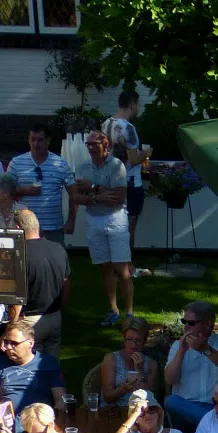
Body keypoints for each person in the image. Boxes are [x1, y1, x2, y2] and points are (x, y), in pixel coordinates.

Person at [75, 129, 132, 325]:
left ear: (105, 145)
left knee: (121, 268)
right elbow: (76, 197)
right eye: (88, 144)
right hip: (94, 220)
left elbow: (118, 199)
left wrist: (92, 188)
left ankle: (130, 313)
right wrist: (98, 196)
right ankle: (113, 309)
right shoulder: (82, 167)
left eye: (95, 144)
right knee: (105, 267)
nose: (91, 147)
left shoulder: (117, 166)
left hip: (115, 219)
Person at [4, 208, 70, 360]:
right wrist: (61, 309)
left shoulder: (19, 255)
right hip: (54, 316)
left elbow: (17, 296)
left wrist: (10, 328)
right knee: (52, 366)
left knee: (29, 368)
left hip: (29, 320)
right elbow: (67, 283)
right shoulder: (58, 248)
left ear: (17, 229)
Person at [164, 301, 218, 429]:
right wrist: (182, 351)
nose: (186, 326)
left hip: (216, 408)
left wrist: (205, 349)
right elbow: (169, 380)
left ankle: (212, 425)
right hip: (184, 408)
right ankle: (215, 426)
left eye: (191, 323)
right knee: (171, 401)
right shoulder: (178, 346)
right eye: (184, 321)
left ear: (208, 324)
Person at [8, 123, 76, 244]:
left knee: (55, 261)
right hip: (25, 225)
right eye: (32, 139)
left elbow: (74, 194)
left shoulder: (60, 164)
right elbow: (6, 190)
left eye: (40, 140)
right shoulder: (17, 163)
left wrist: (71, 220)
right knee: (25, 262)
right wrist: (24, 191)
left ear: (48, 141)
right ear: (28, 140)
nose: (36, 144)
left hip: (53, 227)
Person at [0, 318, 67, 415]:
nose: (8, 347)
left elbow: (61, 400)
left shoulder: (47, 363)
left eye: (14, 343)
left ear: (30, 343)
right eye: (6, 342)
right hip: (7, 419)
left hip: (38, 419)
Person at [102, 90, 152, 243]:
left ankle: (115, 263)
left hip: (110, 180)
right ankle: (126, 263)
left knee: (112, 225)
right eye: (138, 105)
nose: (138, 108)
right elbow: (134, 159)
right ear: (132, 104)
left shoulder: (106, 124)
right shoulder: (128, 128)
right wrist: (147, 153)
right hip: (129, 183)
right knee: (129, 227)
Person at [100, 315, 160, 404]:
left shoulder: (152, 364)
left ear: (144, 341)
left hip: (141, 412)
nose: (133, 345)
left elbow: (152, 398)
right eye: (129, 339)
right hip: (114, 411)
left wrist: (140, 371)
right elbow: (107, 397)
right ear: (124, 340)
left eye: (138, 341)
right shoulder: (111, 359)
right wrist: (122, 390)